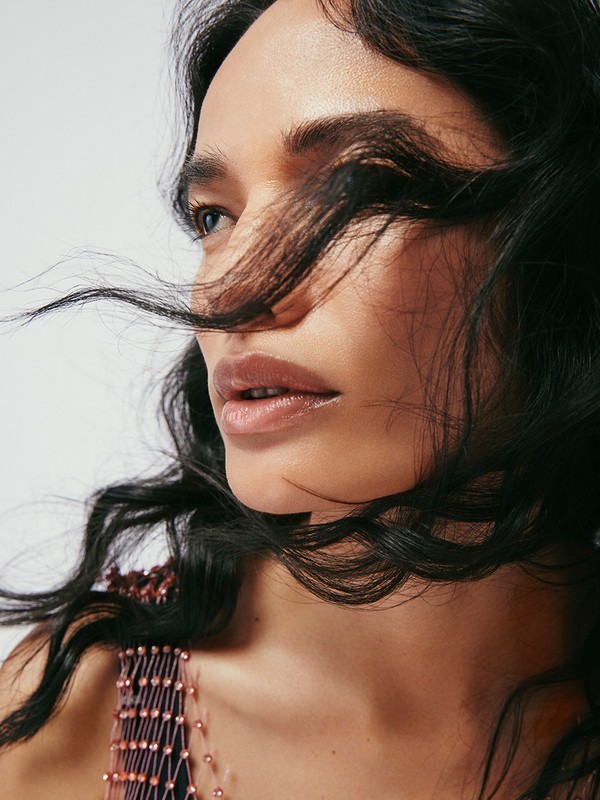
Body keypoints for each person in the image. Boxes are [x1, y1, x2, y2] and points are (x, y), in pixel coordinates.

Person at [1, 0, 599, 797]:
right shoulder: (75, 714)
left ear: (561, 240)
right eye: (214, 215)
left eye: (358, 189)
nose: (233, 289)